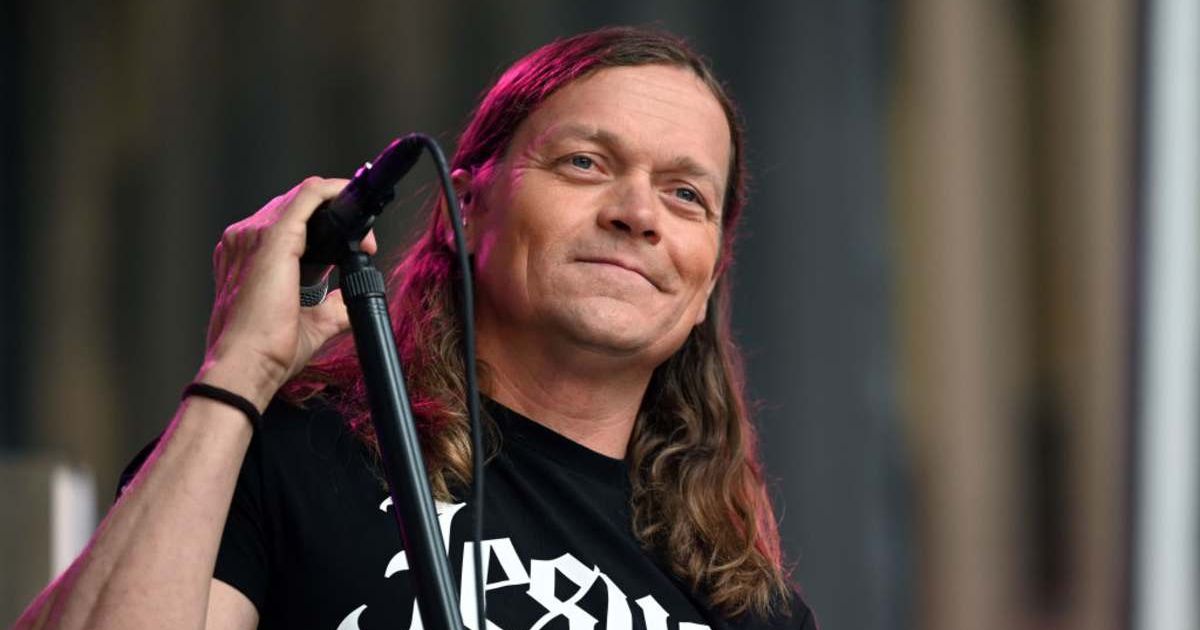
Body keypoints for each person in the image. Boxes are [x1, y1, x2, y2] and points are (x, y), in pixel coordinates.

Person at [16, 26, 816, 630]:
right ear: (468, 208)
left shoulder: (745, 602)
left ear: (709, 276)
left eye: (686, 195)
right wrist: (237, 369)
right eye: (585, 163)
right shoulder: (289, 458)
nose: (638, 213)